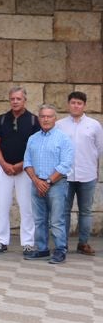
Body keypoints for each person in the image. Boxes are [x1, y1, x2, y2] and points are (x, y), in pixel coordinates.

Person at [0, 87, 39, 255]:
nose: (15, 101)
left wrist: (20, 165)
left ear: (24, 100)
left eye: (18, 98)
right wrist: (3, 164)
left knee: (26, 206)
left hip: (25, 169)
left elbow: (36, 148)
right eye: (12, 99)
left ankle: (27, 243)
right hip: (4, 168)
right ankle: (1, 242)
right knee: (2, 204)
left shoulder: (34, 120)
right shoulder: (2, 119)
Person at [24, 105, 75, 264]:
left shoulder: (63, 139)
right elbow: (27, 162)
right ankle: (42, 248)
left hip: (56, 185)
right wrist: (37, 181)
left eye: (49, 116)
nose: (45, 119)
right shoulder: (33, 138)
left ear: (55, 118)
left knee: (56, 220)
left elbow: (65, 164)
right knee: (39, 219)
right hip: (36, 183)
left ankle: (60, 250)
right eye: (42, 116)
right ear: (38, 119)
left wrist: (47, 182)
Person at [56, 91, 103, 256]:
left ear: (84, 105)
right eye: (73, 102)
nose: (76, 106)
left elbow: (99, 149)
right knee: (64, 211)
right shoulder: (60, 125)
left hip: (87, 174)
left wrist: (95, 170)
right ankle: (62, 244)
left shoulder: (94, 125)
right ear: (69, 104)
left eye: (79, 103)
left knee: (85, 211)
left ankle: (83, 243)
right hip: (65, 176)